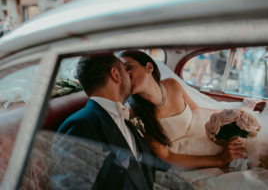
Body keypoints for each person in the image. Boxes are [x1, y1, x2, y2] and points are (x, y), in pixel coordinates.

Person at [120, 51, 268, 189]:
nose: (124, 76)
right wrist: (219, 160)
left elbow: (198, 109)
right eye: (120, 72)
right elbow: (166, 156)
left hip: (203, 138)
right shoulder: (134, 111)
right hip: (188, 158)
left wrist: (232, 114)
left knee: (255, 151)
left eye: (128, 68)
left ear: (149, 67)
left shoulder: (172, 85)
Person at [51, 55, 172, 190]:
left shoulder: (128, 116)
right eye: (126, 70)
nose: (130, 76)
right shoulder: (79, 126)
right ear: (115, 75)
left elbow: (147, 166)